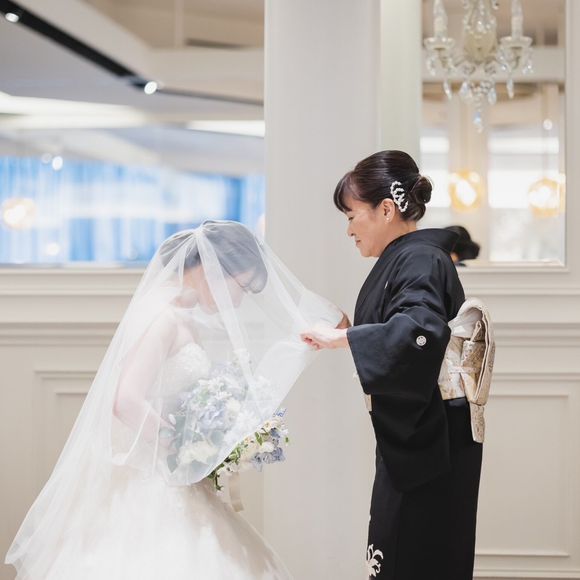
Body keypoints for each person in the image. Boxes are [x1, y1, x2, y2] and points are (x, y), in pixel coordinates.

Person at [5, 220, 346, 580]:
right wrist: (181, 447)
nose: (238, 300)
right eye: (240, 286)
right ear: (211, 268)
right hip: (151, 478)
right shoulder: (163, 317)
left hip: (168, 474)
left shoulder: (180, 315)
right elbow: (126, 400)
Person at [301, 151, 486, 580]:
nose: (349, 230)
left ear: (386, 209)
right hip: (418, 434)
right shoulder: (410, 257)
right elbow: (404, 330)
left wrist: (345, 338)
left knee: (414, 554)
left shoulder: (420, 258)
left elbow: (420, 330)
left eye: (352, 216)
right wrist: (351, 331)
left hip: (432, 441)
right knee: (404, 549)